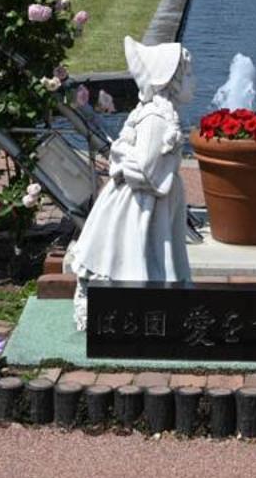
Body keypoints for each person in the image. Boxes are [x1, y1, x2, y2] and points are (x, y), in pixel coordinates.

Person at [63, 37, 194, 330]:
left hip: (152, 199)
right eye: (188, 75)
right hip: (140, 203)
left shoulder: (159, 114)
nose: (193, 81)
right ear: (169, 81)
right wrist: (125, 156)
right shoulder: (157, 118)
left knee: (150, 251)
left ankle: (148, 307)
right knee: (135, 251)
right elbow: (146, 171)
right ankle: (137, 310)